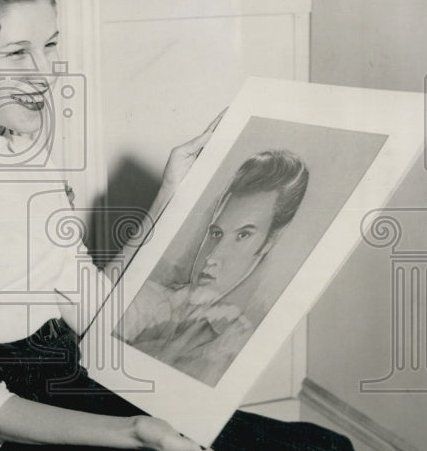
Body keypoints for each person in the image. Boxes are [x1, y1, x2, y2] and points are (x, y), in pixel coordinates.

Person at [0, 0, 412, 451]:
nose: (45, 74)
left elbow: (88, 303)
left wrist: (167, 202)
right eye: (16, 54)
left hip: (75, 383)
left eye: (50, 46)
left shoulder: (20, 149)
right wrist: (133, 432)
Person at [123, 151, 309, 386]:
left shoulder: (241, 343)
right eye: (216, 233)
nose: (213, 256)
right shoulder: (147, 298)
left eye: (243, 235)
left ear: (269, 242)